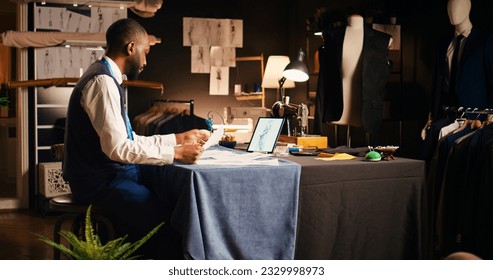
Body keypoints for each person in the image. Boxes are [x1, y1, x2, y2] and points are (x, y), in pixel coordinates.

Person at [62, 18, 210, 259]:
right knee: (169, 225)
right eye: (145, 52)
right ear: (131, 48)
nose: (145, 61)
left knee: (168, 195)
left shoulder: (107, 78)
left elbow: (128, 139)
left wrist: (177, 138)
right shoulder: (102, 83)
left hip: (107, 176)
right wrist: (175, 153)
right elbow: (118, 148)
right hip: (99, 183)